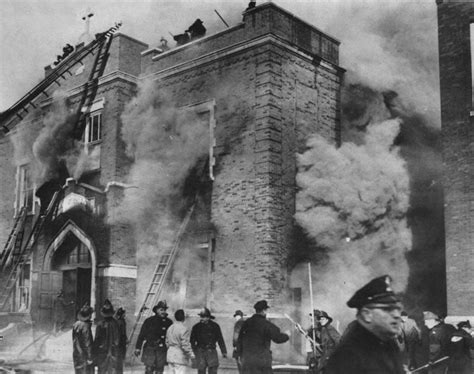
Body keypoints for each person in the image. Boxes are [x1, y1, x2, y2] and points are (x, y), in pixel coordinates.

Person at [325, 275, 405, 374]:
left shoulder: (389, 344)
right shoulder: (349, 355)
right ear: (367, 315)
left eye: (398, 309)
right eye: (387, 309)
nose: (397, 315)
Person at [236, 300, 289, 374]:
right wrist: (287, 335)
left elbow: (239, 340)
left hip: (247, 361)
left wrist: (239, 355)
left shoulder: (246, 323)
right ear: (264, 311)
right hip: (262, 362)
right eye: (266, 310)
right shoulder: (266, 324)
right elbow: (278, 338)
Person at [135, 300, 173, 374]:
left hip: (161, 350)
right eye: (161, 310)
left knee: (159, 370)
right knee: (149, 369)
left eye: (164, 310)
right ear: (156, 310)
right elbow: (141, 335)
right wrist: (138, 348)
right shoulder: (149, 321)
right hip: (150, 348)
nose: (163, 312)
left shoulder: (169, 322)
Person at [190, 307, 227, 374]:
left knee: (213, 371)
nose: (202, 318)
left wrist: (223, 351)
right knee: (201, 371)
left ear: (208, 317)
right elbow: (192, 341)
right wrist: (194, 352)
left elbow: (220, 339)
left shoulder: (215, 326)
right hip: (200, 352)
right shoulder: (196, 327)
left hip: (211, 352)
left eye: (204, 317)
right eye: (201, 317)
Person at [93, 299, 120, 374]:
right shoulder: (115, 324)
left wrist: (94, 353)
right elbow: (117, 340)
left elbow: (97, 340)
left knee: (101, 371)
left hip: (102, 352)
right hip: (113, 352)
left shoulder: (100, 324)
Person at [166, 309, 195, 374]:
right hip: (180, 357)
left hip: (170, 355)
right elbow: (185, 345)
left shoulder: (170, 328)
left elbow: (167, 342)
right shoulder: (184, 329)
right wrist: (191, 354)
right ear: (184, 318)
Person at [72, 304, 94, 374]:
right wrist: (90, 357)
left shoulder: (76, 324)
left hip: (76, 353)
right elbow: (87, 343)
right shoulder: (86, 326)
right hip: (84, 356)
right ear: (89, 315)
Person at [115, 307, 127, 374]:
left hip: (118, 344)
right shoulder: (122, 322)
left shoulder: (117, 321)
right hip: (120, 344)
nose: (125, 315)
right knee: (119, 361)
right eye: (124, 314)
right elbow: (122, 334)